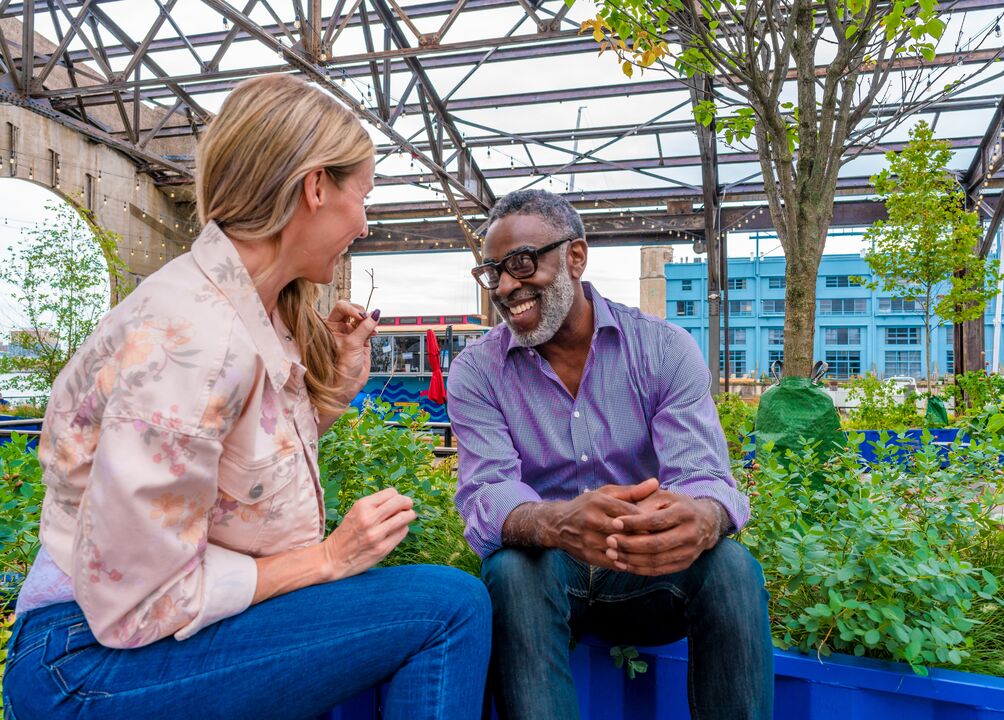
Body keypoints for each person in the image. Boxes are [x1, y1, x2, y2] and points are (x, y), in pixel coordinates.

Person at [2, 74, 490, 720]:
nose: (365, 223)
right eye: (361, 196)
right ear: (315, 187)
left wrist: (333, 394)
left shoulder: (249, 313)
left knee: (442, 603)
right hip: (85, 664)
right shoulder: (198, 339)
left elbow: (225, 480)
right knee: (450, 608)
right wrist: (329, 559)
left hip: (103, 645)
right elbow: (141, 604)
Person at [448, 189, 773, 720]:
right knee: (513, 571)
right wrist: (556, 522)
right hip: (547, 580)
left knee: (732, 568)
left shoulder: (662, 349)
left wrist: (703, 516)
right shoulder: (479, 372)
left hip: (646, 572)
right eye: (493, 272)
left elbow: (705, 476)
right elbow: (485, 492)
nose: (507, 287)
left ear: (575, 256)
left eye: (523, 264)